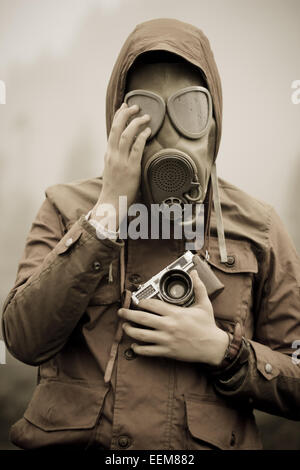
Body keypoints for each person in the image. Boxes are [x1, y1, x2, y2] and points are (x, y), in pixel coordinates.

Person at [2, 18, 300, 451]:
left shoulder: (258, 226)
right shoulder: (67, 209)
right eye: (143, 112)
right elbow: (22, 339)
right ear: (116, 123)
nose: (167, 133)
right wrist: (106, 212)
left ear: (213, 126)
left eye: (190, 110)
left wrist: (222, 350)